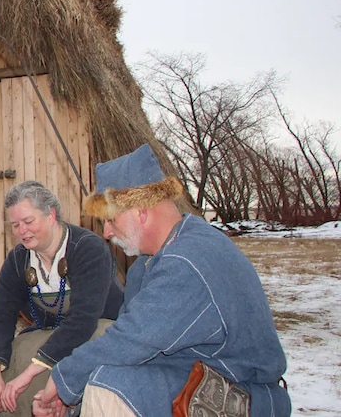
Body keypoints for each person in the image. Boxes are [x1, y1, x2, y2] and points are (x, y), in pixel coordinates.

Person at [32, 144, 291, 417]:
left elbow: (131, 340)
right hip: (196, 372)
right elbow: (133, 352)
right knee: (108, 378)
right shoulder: (150, 262)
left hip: (242, 394)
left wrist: (62, 381)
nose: (106, 232)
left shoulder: (188, 261)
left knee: (110, 387)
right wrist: (74, 401)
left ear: (141, 210)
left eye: (110, 219)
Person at [0, 180, 123, 416]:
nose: (21, 231)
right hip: (50, 334)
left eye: (28, 222)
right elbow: (0, 316)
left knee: (46, 367)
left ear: (51, 215)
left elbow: (83, 320)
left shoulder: (88, 248)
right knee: (13, 360)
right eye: (15, 225)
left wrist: (30, 374)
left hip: (96, 335)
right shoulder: (19, 259)